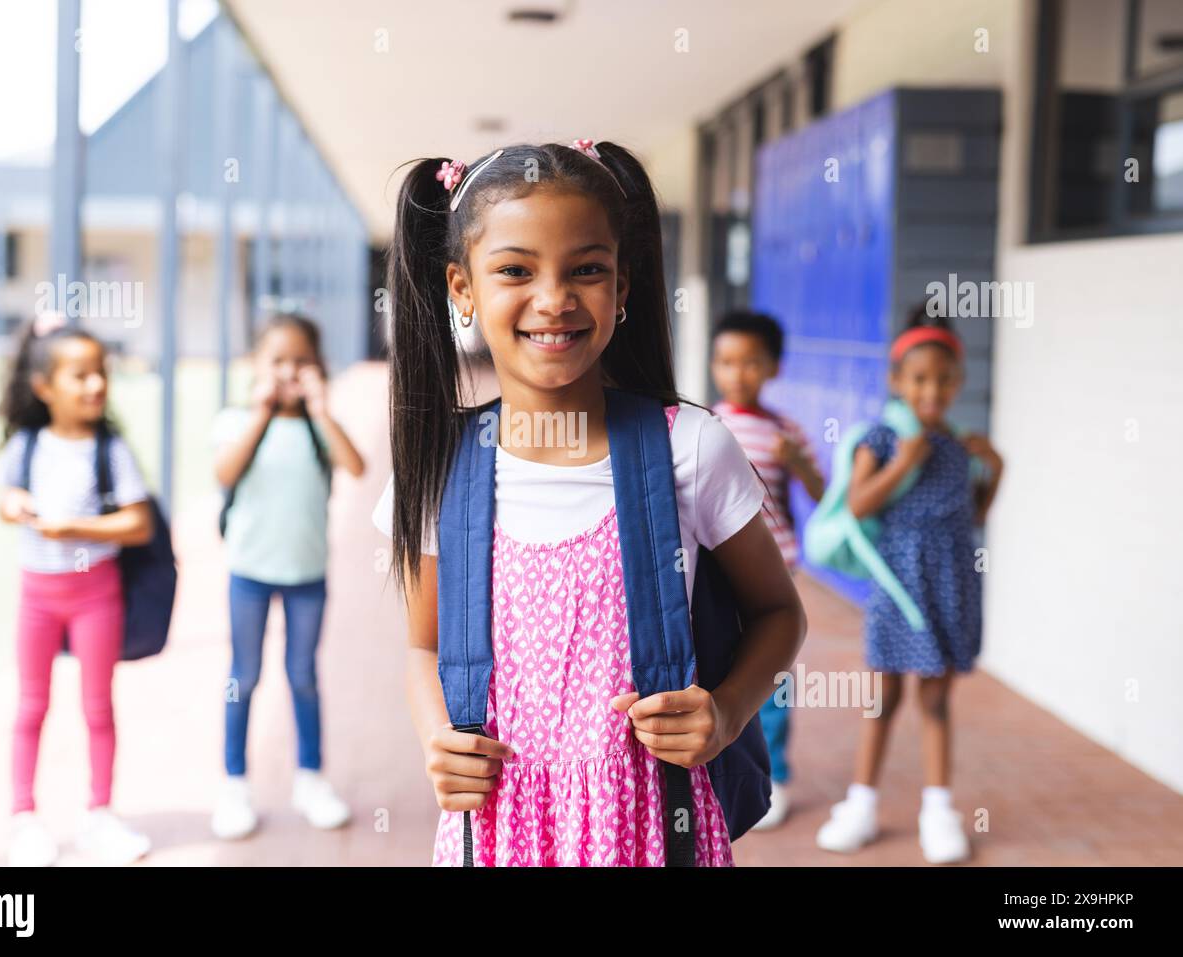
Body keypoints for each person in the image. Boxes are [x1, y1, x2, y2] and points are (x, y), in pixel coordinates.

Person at [371, 140, 806, 865]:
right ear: (461, 287)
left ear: (623, 286)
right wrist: (436, 740)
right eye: (515, 269)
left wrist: (725, 712)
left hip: (648, 828)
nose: (554, 299)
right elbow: (424, 643)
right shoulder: (437, 466)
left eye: (587, 270)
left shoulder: (688, 448)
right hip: (501, 830)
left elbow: (778, 612)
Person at [815, 305, 1004, 864]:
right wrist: (906, 463)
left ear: (959, 382)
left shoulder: (960, 445)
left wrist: (999, 469)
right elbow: (858, 503)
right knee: (884, 697)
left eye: (945, 379)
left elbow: (973, 515)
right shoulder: (883, 438)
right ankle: (861, 805)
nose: (932, 390)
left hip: (949, 584)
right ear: (897, 381)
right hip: (900, 588)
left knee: (937, 698)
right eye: (919, 378)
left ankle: (939, 811)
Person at [0, 311, 154, 866]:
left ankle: (99, 816)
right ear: (44, 388)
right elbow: (5, 499)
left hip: (96, 595)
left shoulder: (112, 450)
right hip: (37, 596)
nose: (95, 385)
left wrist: (75, 529)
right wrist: (15, 505)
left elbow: (139, 524)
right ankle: (25, 819)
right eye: (79, 375)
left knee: (96, 707)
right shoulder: (27, 446)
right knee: (31, 706)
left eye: (100, 373)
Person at [209, 312, 365, 839]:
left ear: (318, 369)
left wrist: (322, 412)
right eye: (277, 361)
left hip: (307, 576)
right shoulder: (236, 420)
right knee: (243, 678)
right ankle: (234, 785)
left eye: (301, 362)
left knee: (302, 676)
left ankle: (311, 779)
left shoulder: (319, 430)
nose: (289, 372)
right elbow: (224, 473)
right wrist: (260, 412)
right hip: (249, 575)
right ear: (256, 365)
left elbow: (358, 465)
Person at [709, 309, 825, 829]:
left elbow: (824, 496)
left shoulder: (785, 430)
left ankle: (775, 774)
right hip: (717, 574)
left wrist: (797, 462)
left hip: (775, 572)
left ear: (773, 368)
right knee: (723, 668)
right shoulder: (705, 424)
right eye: (727, 362)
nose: (738, 373)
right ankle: (723, 761)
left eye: (751, 363)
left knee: (773, 674)